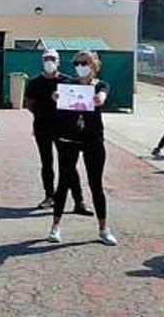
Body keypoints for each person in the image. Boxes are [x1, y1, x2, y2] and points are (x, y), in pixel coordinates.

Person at [47, 51, 118, 246]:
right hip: (69, 139)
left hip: (92, 139)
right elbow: (59, 99)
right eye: (77, 63)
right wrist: (56, 97)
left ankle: (103, 228)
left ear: (93, 65)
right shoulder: (69, 85)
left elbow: (102, 96)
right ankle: (55, 226)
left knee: (96, 184)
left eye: (84, 62)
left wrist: (98, 99)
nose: (80, 66)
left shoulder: (100, 85)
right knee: (64, 181)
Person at [24, 50, 90, 213]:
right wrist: (41, 114)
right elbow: (29, 104)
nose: (49, 62)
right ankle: (49, 196)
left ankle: (78, 201)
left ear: (58, 61)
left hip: (65, 129)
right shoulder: (34, 82)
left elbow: (77, 102)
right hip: (42, 127)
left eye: (52, 59)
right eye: (46, 59)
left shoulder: (67, 81)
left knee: (68, 165)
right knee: (46, 163)